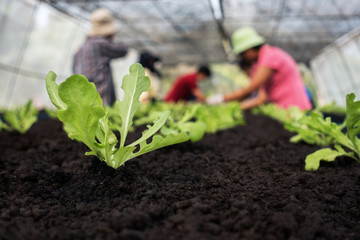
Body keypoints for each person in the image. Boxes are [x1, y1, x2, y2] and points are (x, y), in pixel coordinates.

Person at [207, 27, 312, 110]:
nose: (243, 57)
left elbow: (251, 88)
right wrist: (237, 107)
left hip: (295, 108)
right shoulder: (263, 60)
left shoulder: (270, 56)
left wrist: (221, 98)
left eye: (242, 54)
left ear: (248, 49)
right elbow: (262, 97)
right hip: (284, 109)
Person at [73, 8, 128, 106]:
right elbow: (123, 50)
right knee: (103, 117)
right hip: (101, 97)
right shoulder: (100, 44)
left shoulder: (81, 49)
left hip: (83, 97)